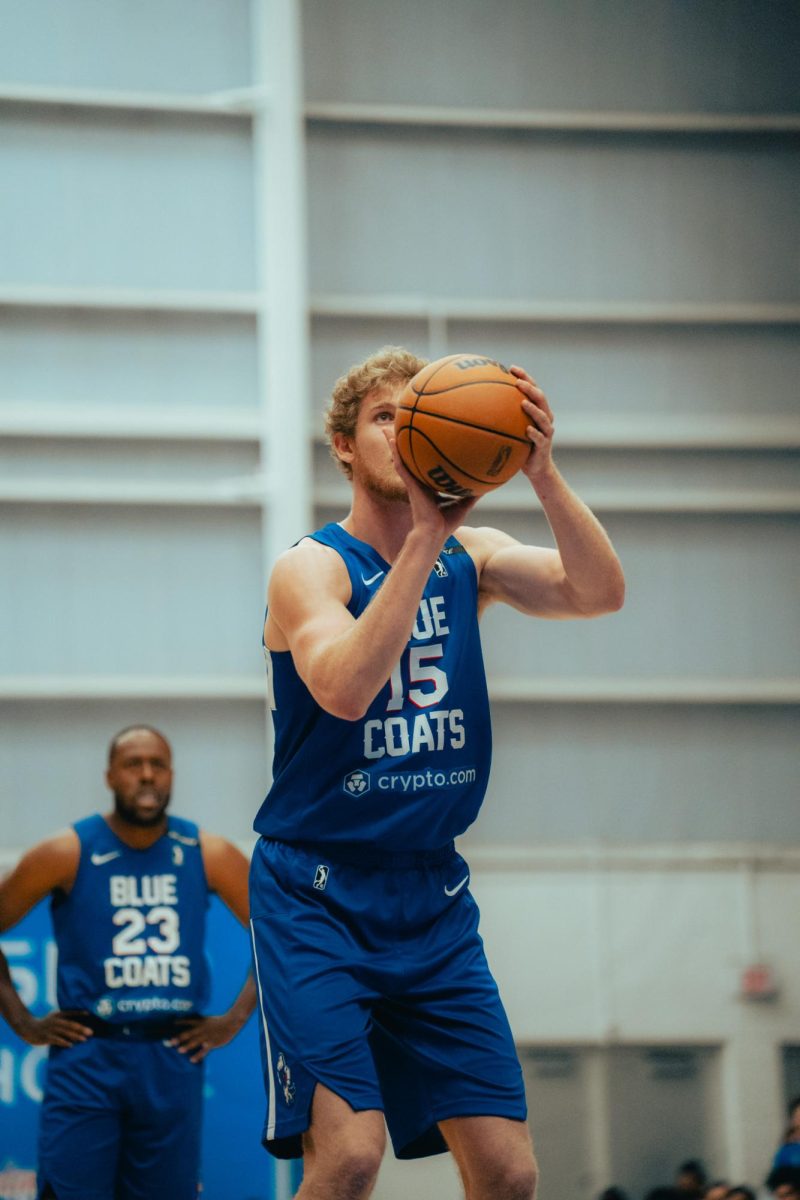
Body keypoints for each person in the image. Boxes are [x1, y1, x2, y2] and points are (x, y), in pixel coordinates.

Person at [249, 346, 625, 1200]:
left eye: (418, 411)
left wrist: (543, 472)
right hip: (315, 892)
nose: (406, 429)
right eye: (386, 417)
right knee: (348, 1160)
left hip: (431, 895)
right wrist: (425, 536)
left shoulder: (471, 556)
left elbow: (598, 591)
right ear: (344, 445)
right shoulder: (312, 567)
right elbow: (344, 692)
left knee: (509, 1173)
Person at [0, 724, 256, 1200]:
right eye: (133, 764)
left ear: (172, 776)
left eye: (157, 765)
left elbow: (280, 933)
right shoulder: (67, 851)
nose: (146, 775)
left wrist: (233, 1021)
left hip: (171, 1058)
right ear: (110, 776)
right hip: (87, 1058)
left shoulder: (208, 853)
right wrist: (22, 1022)